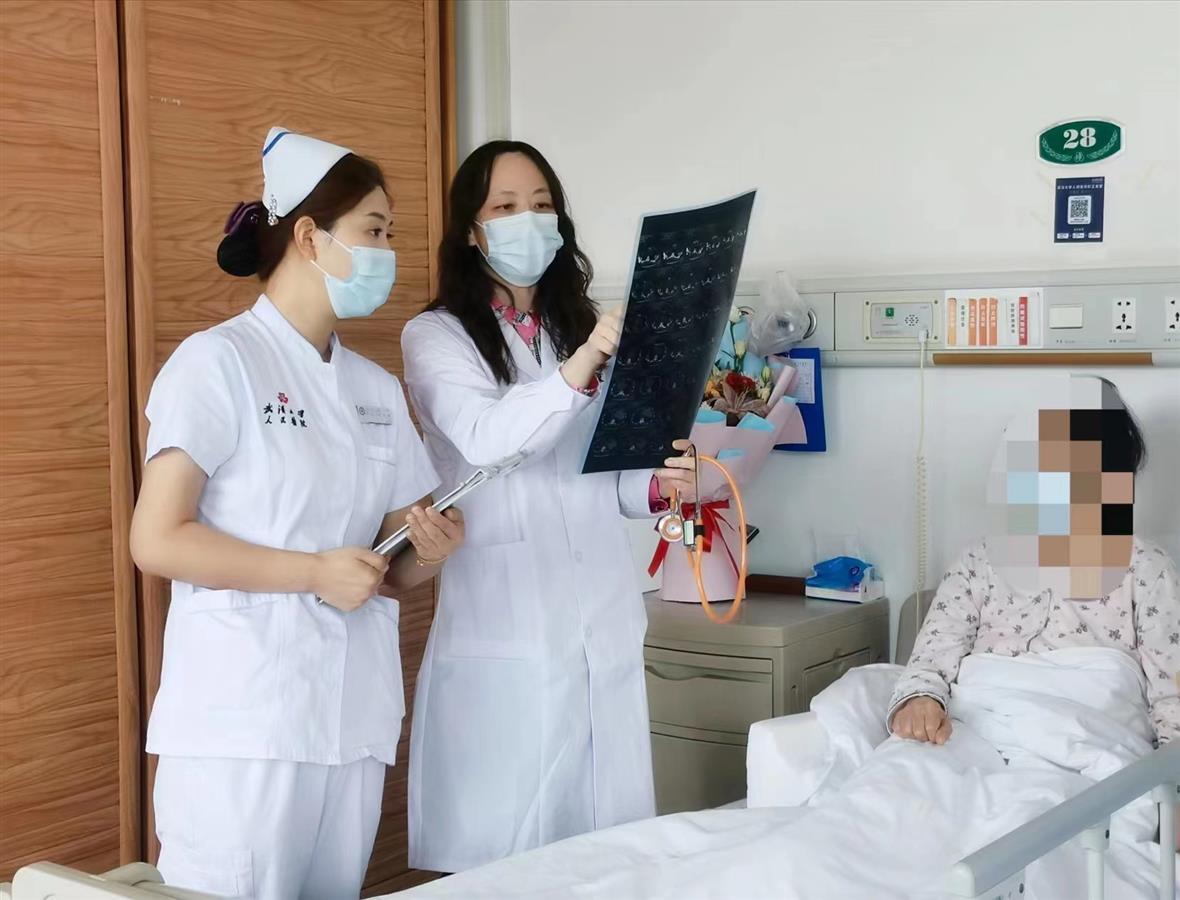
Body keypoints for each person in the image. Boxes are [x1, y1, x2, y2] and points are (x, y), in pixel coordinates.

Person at [129, 127, 464, 900]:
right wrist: (314, 572)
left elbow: (395, 570)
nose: (387, 252)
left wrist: (432, 548)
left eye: (390, 234)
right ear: (309, 237)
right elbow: (157, 538)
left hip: (351, 721)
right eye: (374, 231)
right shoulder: (218, 362)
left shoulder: (375, 391)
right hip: (245, 726)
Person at [400, 141, 696, 872]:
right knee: (508, 867)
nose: (527, 220)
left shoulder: (576, 327)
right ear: (471, 230)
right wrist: (584, 363)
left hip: (600, 618)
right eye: (504, 207)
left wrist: (657, 484)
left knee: (607, 865)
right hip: (508, 631)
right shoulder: (436, 336)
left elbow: (600, 473)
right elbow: (491, 439)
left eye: (540, 205)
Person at [890, 377, 1178, 757]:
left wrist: (1169, 776)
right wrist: (921, 701)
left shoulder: (1146, 570)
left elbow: (1172, 697)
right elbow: (930, 660)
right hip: (973, 729)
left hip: (1088, 737)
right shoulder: (978, 563)